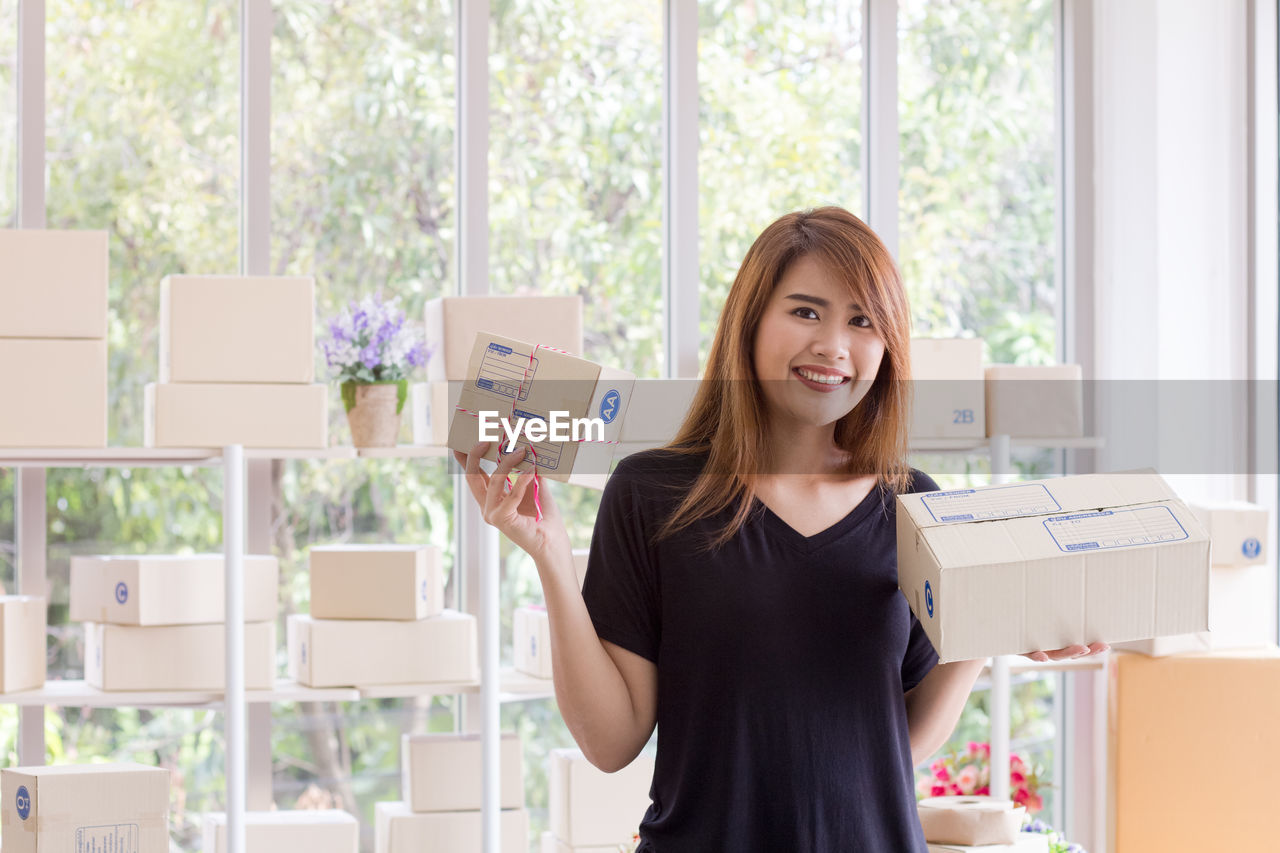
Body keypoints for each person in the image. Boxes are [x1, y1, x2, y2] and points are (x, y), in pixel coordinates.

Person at [454, 206, 1108, 852]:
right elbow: (610, 740)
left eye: (863, 321)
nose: (833, 345)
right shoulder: (653, 492)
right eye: (805, 311)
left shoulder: (913, 505)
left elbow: (894, 737)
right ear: (750, 322)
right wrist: (548, 553)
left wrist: (984, 631)